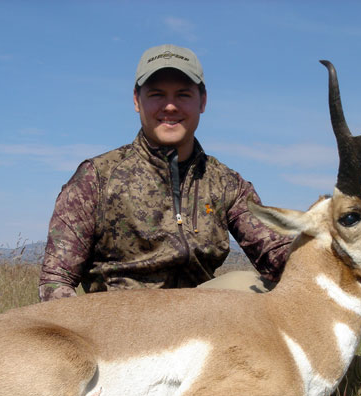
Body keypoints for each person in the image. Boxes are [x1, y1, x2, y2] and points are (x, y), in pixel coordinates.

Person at [38, 44, 292, 302]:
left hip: (199, 325)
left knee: (246, 284)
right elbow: (55, 281)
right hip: (117, 328)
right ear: (137, 101)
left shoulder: (226, 184)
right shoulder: (97, 177)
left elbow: (278, 256)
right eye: (157, 94)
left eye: (183, 95)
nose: (170, 106)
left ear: (202, 101)